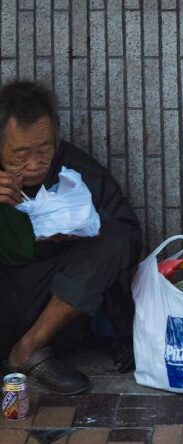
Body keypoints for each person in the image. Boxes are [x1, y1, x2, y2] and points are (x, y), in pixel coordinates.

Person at [0, 80, 142, 394]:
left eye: (44, 150)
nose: (35, 164)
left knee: (113, 237)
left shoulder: (73, 169)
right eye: (20, 155)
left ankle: (28, 351)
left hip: (55, 307)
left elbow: (128, 235)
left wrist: (85, 227)